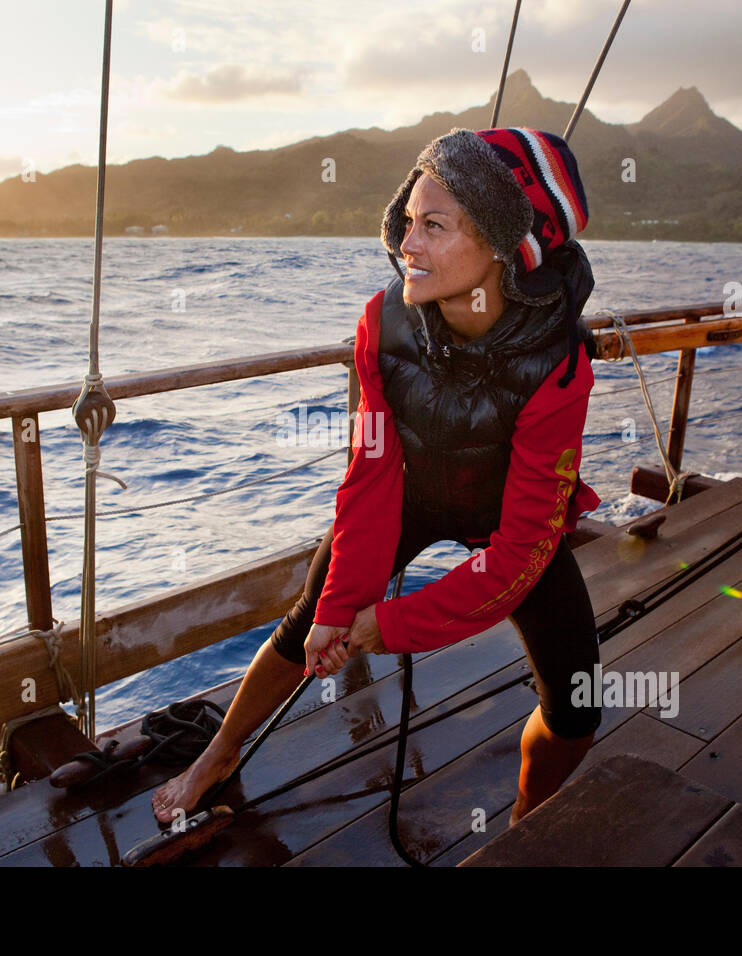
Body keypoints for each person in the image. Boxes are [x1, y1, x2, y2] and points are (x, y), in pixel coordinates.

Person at [151, 126, 603, 830]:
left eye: (433, 226)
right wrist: (342, 607)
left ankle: (524, 823)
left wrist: (390, 625)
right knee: (308, 623)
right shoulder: (380, 322)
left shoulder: (561, 367)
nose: (404, 245)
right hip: (409, 493)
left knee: (576, 711)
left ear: (500, 248)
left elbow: (519, 555)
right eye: (407, 221)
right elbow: (370, 469)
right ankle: (220, 752)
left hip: (507, 520)